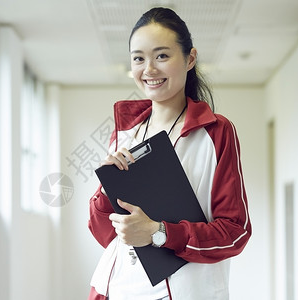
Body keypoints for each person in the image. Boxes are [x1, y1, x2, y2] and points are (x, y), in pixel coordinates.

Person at [88, 7, 251, 300]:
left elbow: (235, 232)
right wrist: (105, 188)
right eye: (139, 58)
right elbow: (105, 234)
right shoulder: (124, 133)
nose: (148, 69)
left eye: (161, 56)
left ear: (190, 59)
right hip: (114, 289)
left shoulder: (216, 133)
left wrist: (159, 232)